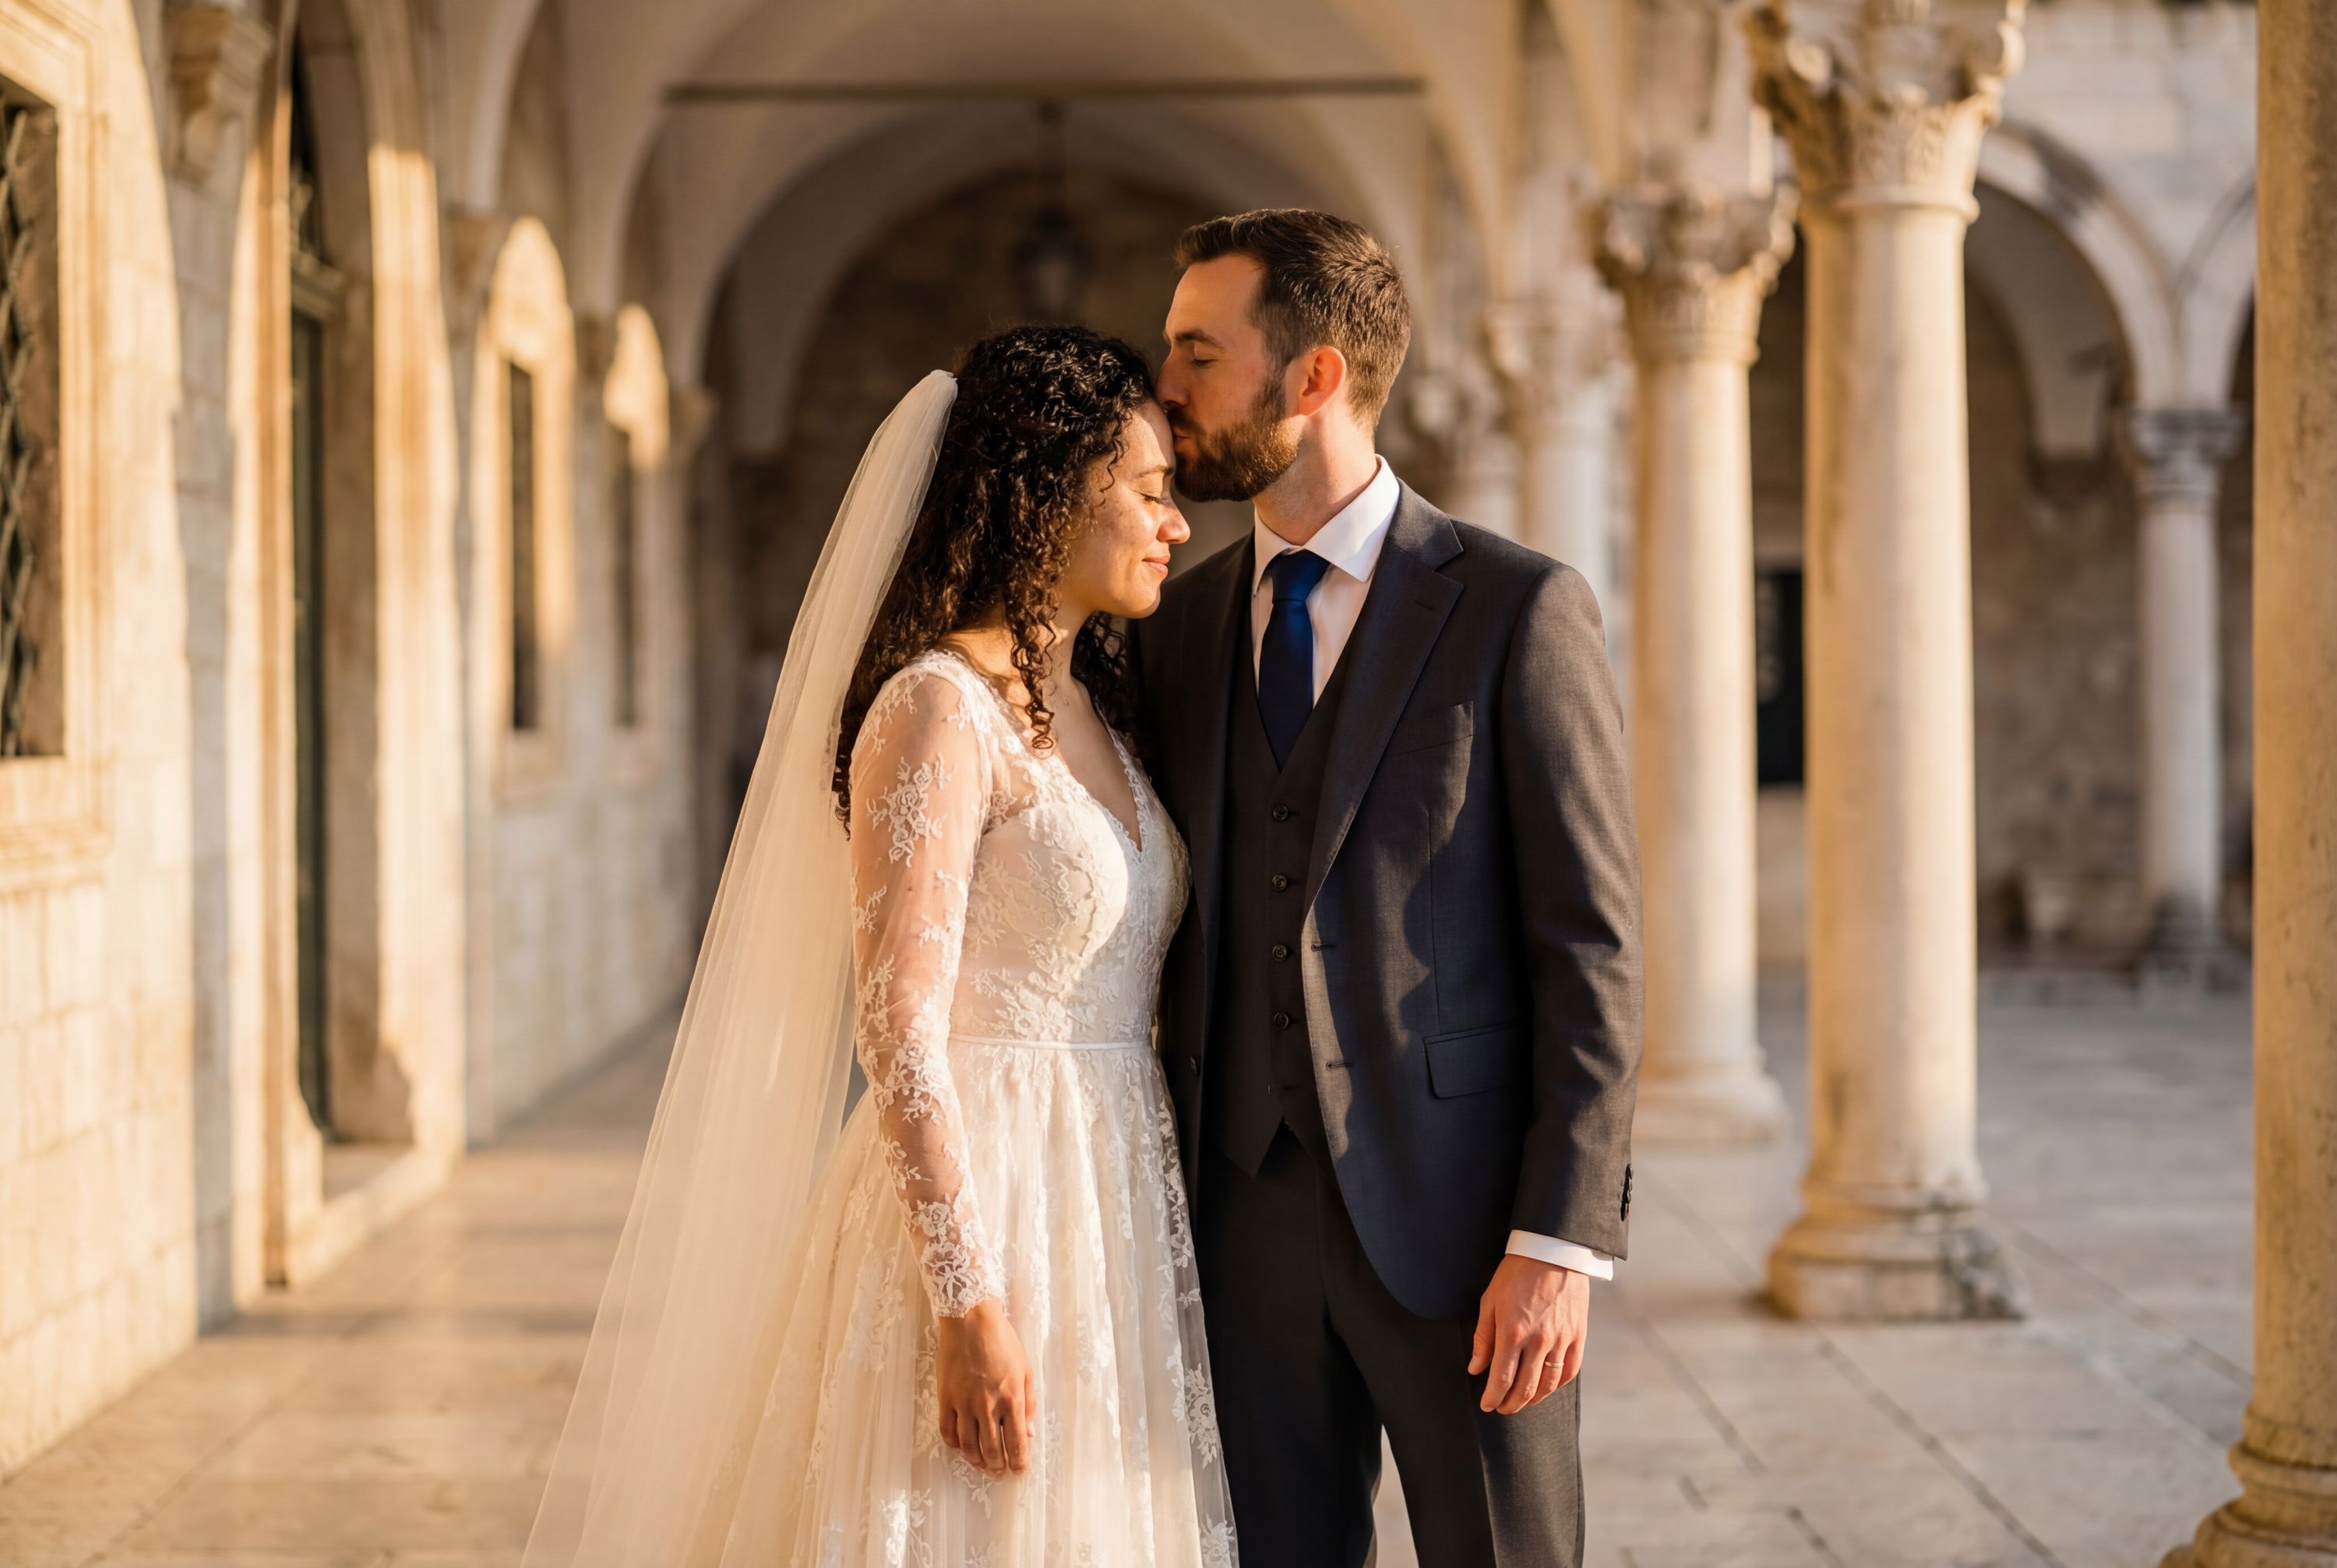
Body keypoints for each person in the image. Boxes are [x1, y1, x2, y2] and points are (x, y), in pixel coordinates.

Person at [522, 326, 1235, 1567]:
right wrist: (966, 1296)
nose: (1176, 523)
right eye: (1151, 489)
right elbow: (899, 1028)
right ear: (1054, 487)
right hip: (983, 1197)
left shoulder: (1099, 711)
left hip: (1107, 1183)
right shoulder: (934, 707)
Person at [1133, 207, 1644, 1566]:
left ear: (1314, 380)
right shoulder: (1178, 628)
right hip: (1240, 1223)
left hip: (1469, 1229)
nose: (1164, 386)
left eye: (1197, 351)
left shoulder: (1517, 609)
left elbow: (1591, 946)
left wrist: (1560, 1238)